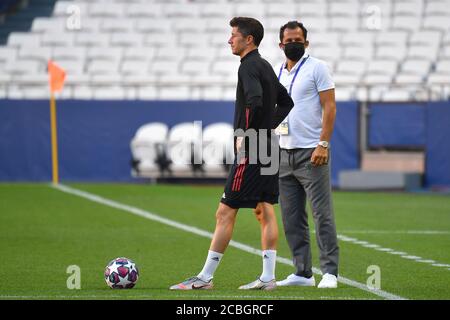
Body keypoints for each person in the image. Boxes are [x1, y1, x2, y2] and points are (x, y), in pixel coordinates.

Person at [170, 17, 294, 291]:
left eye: (233, 35)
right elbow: (287, 102)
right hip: (269, 144)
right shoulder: (264, 65)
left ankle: (204, 278)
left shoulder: (248, 67)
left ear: (248, 39)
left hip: (252, 145)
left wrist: (246, 134)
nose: (229, 40)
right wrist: (266, 127)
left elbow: (254, 101)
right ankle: (268, 277)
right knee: (264, 210)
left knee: (225, 211)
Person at [274, 21, 339, 288]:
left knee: (321, 214)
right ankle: (302, 272)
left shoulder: (318, 68)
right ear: (281, 45)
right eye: (289, 40)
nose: (294, 44)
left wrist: (323, 144)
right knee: (291, 217)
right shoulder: (278, 72)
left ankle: (330, 273)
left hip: (311, 152)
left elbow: (330, 106)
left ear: (306, 43)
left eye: (298, 40)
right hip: (283, 152)